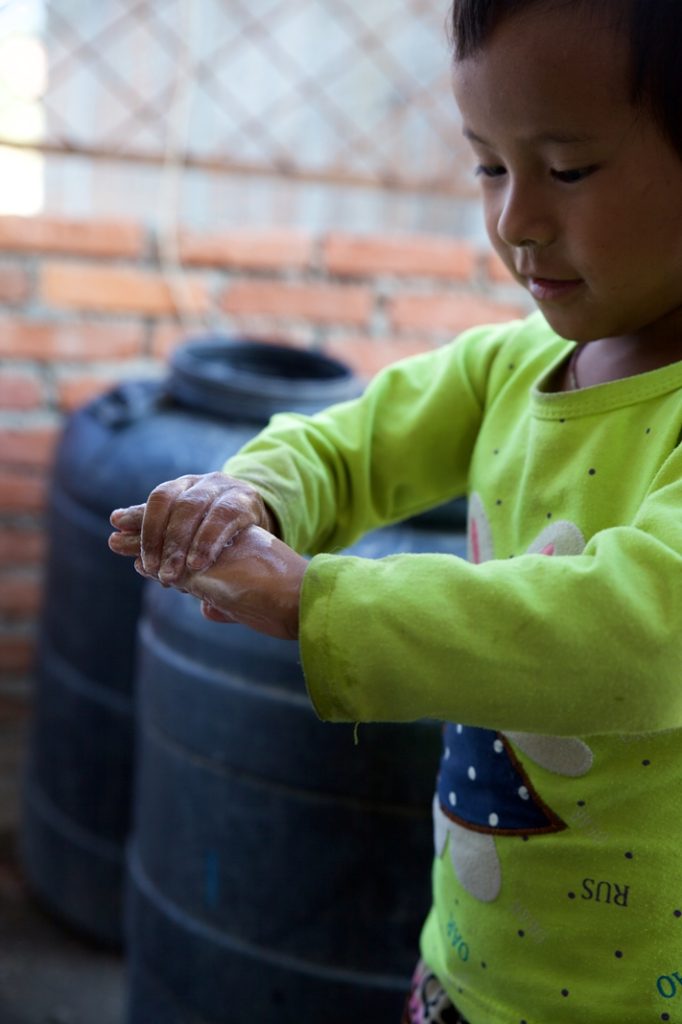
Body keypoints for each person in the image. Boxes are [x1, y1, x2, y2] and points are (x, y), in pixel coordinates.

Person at [109, 0, 682, 1020]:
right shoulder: (509, 367)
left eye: (567, 168)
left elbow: (637, 636)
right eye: (488, 166)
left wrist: (318, 601)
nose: (515, 220)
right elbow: (350, 441)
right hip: (466, 964)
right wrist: (250, 493)